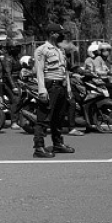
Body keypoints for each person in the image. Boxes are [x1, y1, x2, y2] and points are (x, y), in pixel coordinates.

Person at [32, 23, 75, 158]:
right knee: (43, 118)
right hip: (50, 86)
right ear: (52, 34)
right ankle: (39, 147)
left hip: (61, 86)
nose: (61, 35)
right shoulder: (42, 50)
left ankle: (57, 144)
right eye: (59, 33)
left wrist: (68, 87)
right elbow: (39, 70)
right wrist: (42, 90)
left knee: (59, 117)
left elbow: (65, 70)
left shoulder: (60, 50)